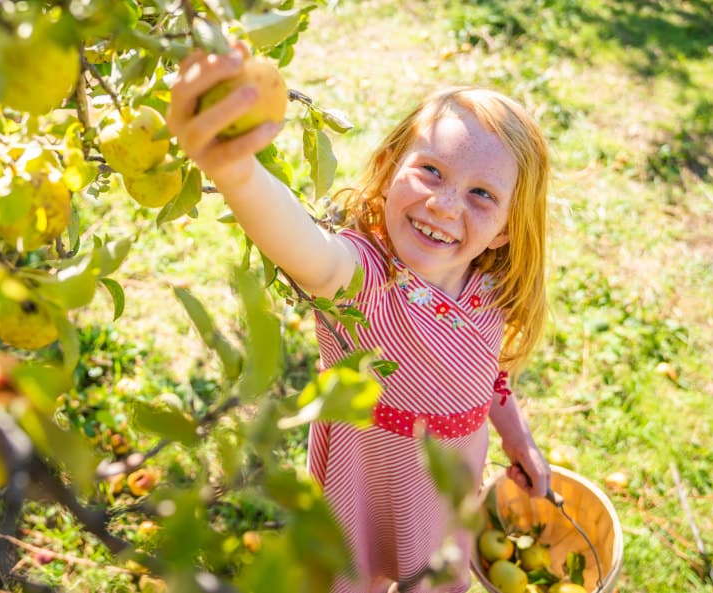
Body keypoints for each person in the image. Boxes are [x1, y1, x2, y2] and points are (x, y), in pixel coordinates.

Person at [166, 42, 553, 593]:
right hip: (365, 485)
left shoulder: (486, 289)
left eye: (481, 194)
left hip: (445, 489)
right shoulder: (362, 280)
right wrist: (235, 171)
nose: (445, 205)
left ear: (508, 230)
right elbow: (305, 249)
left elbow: (486, 374)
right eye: (431, 171)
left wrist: (518, 440)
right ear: (390, 168)